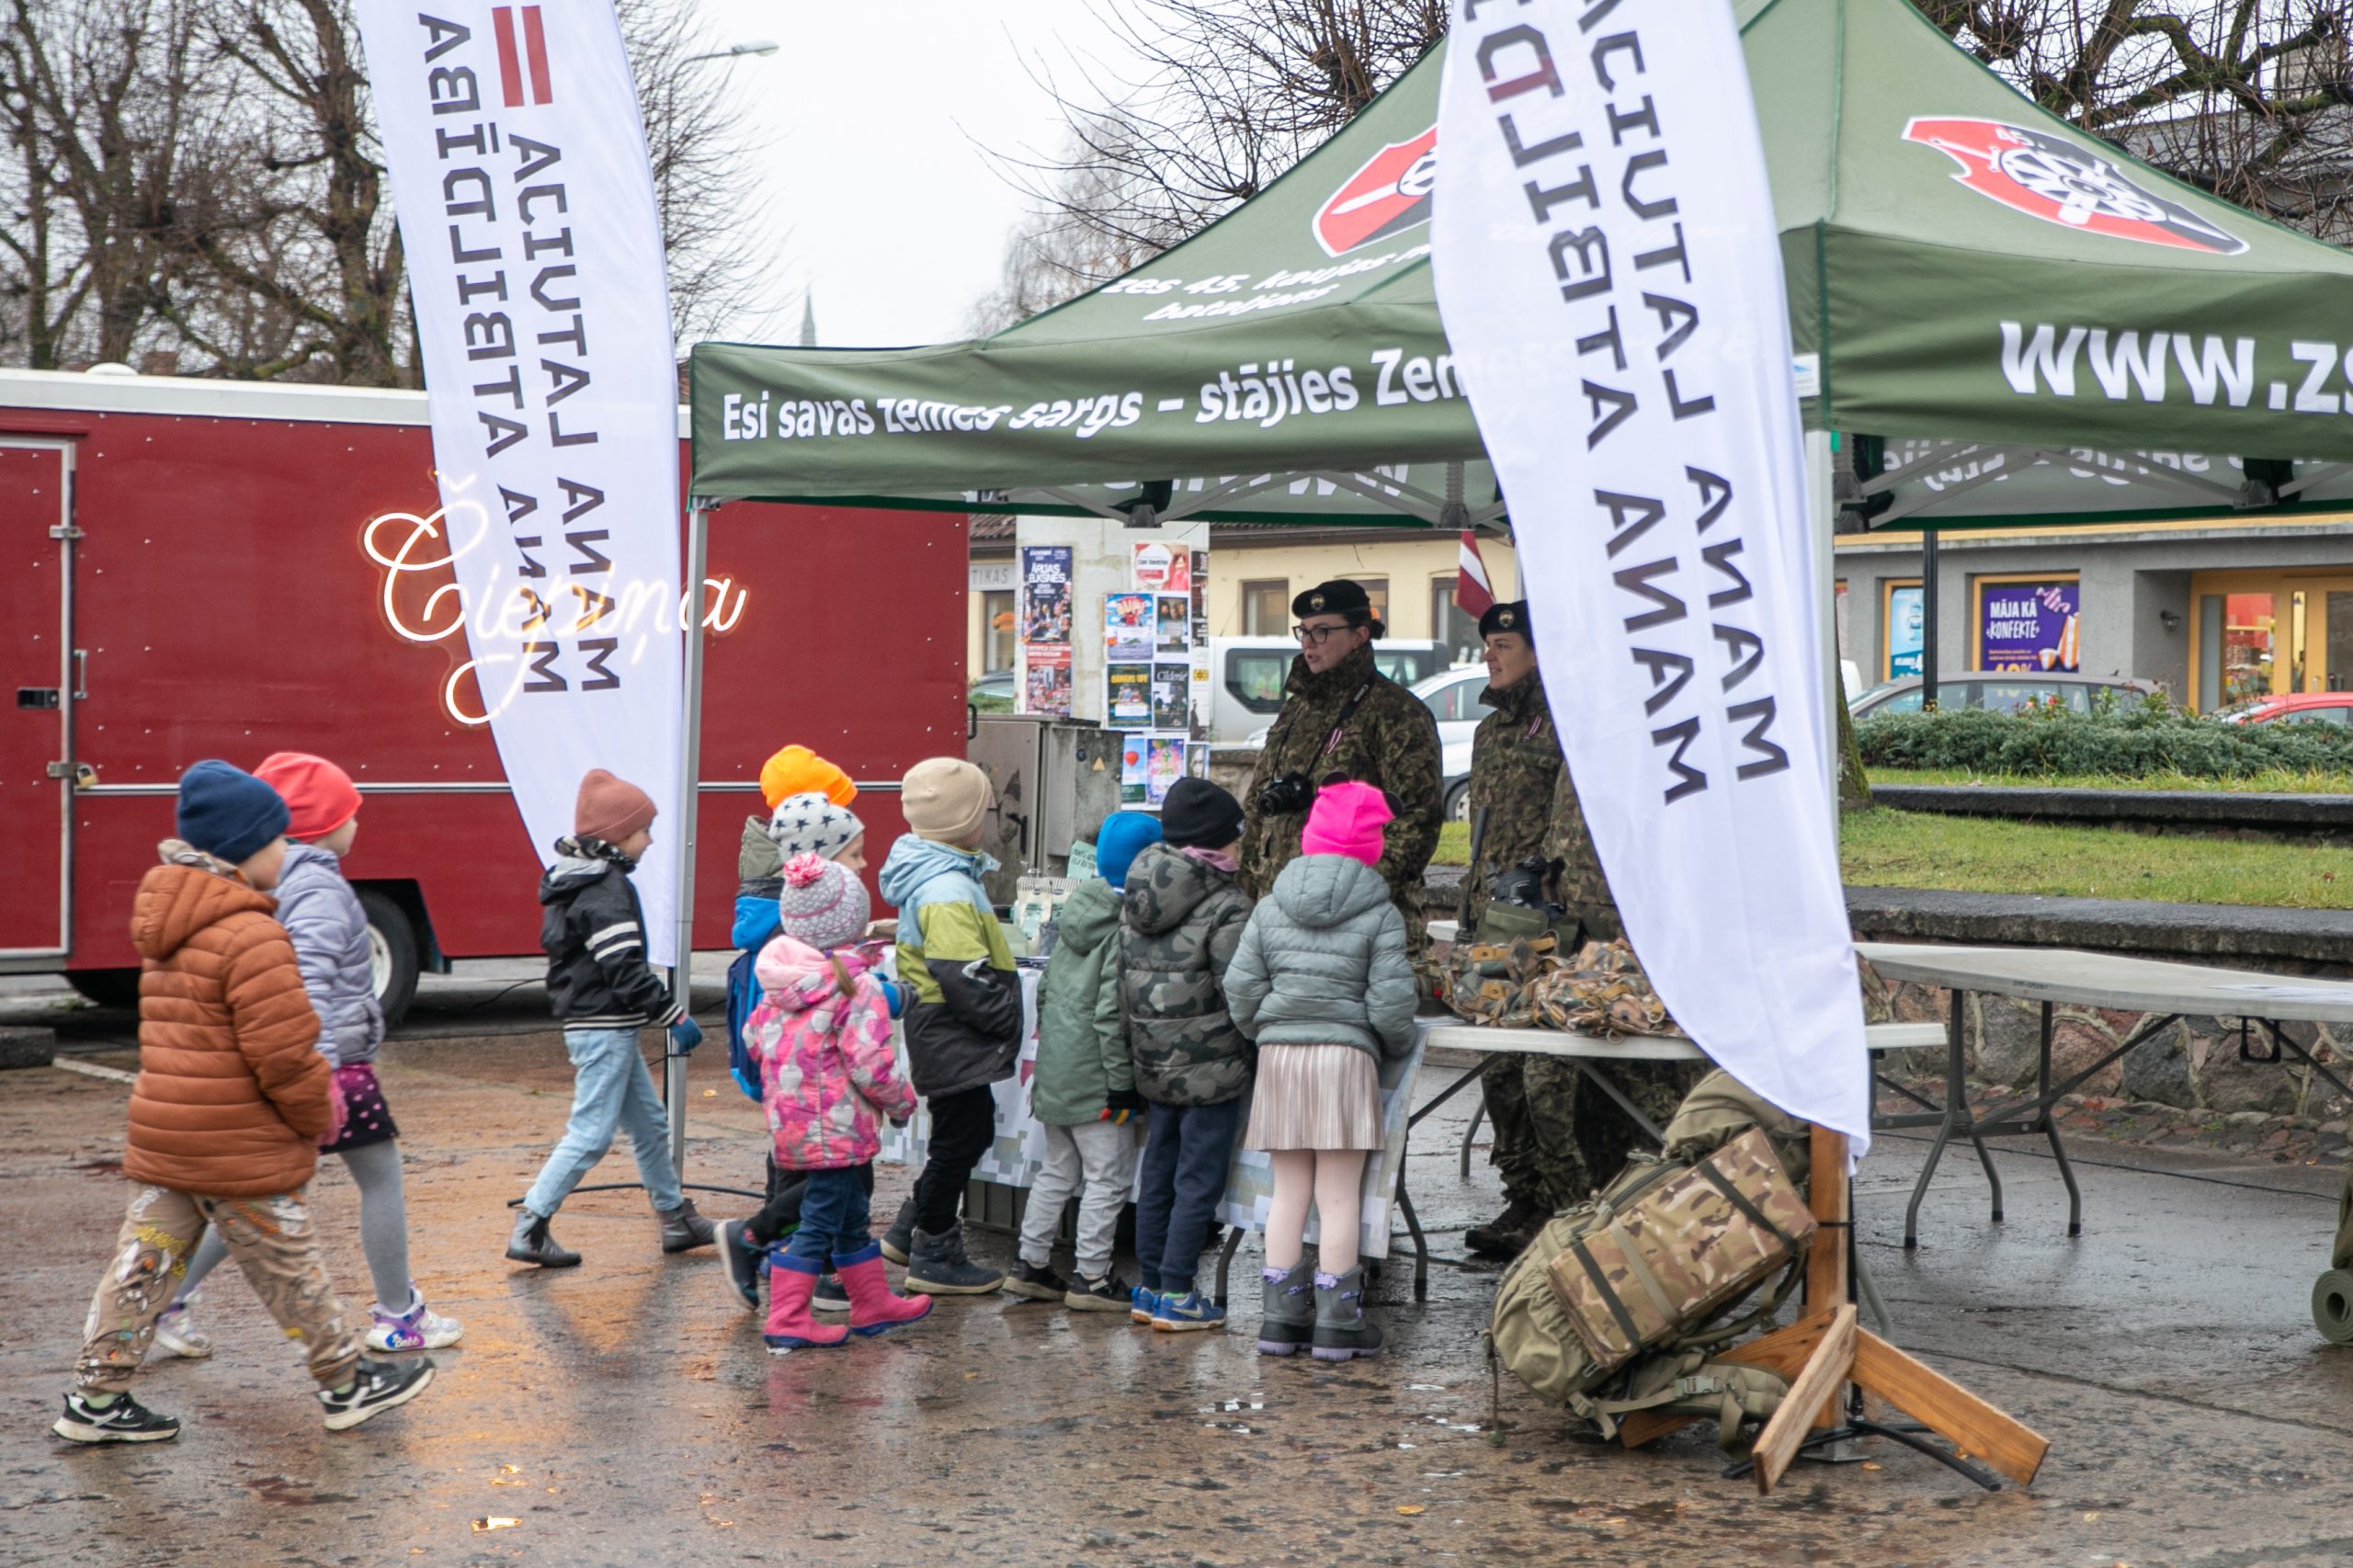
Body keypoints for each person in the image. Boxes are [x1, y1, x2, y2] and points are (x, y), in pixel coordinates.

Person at [53, 760, 433, 1443]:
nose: (286, 852)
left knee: (142, 1265)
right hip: (238, 1139)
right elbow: (283, 1052)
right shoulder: (252, 934)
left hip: (168, 1135)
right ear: (246, 849)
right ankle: (345, 1384)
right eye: (278, 840)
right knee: (291, 1267)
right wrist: (314, 1115)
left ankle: (95, 1397)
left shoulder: (168, 926)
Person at [153, 753, 460, 1359]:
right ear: (323, 826)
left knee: (254, 1198)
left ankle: (168, 1299)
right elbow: (307, 984)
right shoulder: (319, 885)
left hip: (294, 1062)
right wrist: (315, 1070)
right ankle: (399, 1318)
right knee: (379, 1180)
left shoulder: (266, 877)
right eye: (351, 812)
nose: (358, 823)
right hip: (331, 1066)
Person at [1224, 781, 1418, 1362]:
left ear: (1310, 837)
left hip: (1280, 1058)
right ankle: (1338, 1324)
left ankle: (1280, 1321)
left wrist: (1265, 1030)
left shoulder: (1270, 904)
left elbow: (1240, 987)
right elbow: (1391, 1005)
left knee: (1288, 1192)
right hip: (1346, 1059)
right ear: (1371, 848)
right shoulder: (1380, 912)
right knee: (1339, 1197)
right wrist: (1392, 1044)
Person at [507, 769, 716, 1267]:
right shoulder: (606, 890)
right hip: (604, 1029)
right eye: (644, 830)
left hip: (601, 1026)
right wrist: (671, 1015)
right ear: (618, 835)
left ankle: (675, 1217)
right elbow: (624, 968)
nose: (650, 841)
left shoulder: (577, 882)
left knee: (649, 1125)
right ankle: (531, 1225)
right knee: (591, 1134)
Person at [745, 853, 931, 1351]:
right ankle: (787, 1317)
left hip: (792, 1124)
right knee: (820, 1219)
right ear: (852, 922)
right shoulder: (857, 986)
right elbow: (870, 1063)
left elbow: (754, 1041)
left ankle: (871, 1301)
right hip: (838, 1126)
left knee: (850, 1212)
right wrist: (901, 1104)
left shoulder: (778, 984)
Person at [1450, 601, 1574, 1259]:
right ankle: (1521, 1197)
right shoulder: (1491, 731)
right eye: (1487, 644)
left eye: (1503, 644)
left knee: (1544, 1076)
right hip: (1489, 921)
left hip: (1545, 926)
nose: (1489, 655)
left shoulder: (1568, 722)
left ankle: (1560, 1202)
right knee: (1498, 1070)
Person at [722, 779, 872, 1315]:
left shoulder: (788, 936)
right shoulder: (805, 944)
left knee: (820, 1178)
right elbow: (844, 1039)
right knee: (838, 1180)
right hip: (817, 1093)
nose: (863, 864)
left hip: (794, 1090)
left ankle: (804, 1265)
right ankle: (765, 1245)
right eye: (854, 854)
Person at [1236, 579, 1442, 957]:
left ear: (1360, 635)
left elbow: (1416, 823)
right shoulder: (1297, 707)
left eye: (1322, 631)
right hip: (1281, 914)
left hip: (1359, 925)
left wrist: (1350, 895)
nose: (1308, 643)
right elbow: (1258, 804)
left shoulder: (1397, 713)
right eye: (1303, 631)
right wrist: (1248, 889)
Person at [875, 757, 1020, 1294]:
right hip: (952, 1027)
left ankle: (909, 1227)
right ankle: (934, 1250)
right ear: (965, 819)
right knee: (962, 1138)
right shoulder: (948, 889)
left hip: (938, 1025)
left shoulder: (940, 873)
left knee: (962, 1131)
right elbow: (960, 973)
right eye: (983, 809)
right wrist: (1003, 1017)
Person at [1009, 812, 1161, 1312]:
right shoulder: (1124, 929)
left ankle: (1030, 1263)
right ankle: (1092, 1276)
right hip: (1099, 1081)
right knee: (1108, 1178)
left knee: (1057, 1169)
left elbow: (1046, 995)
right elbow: (1110, 1016)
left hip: (1057, 1072)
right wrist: (1121, 1084)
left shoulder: (1074, 914)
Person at [1120, 779, 1255, 1332]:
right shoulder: (1228, 904)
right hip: (1211, 1069)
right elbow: (1241, 993)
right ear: (1221, 840)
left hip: (1152, 1064)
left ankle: (1151, 1286)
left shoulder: (1136, 893)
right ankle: (1178, 1291)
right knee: (1197, 1180)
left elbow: (1120, 985)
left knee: (1157, 1173)